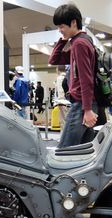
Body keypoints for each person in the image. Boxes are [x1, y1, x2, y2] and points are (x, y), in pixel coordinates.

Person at [48, 3, 98, 148]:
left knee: (64, 150)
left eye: (62, 26)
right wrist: (63, 39)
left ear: (74, 22)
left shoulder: (79, 44)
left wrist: (87, 110)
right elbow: (54, 60)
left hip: (82, 105)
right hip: (86, 104)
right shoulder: (82, 41)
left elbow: (85, 78)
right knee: (83, 151)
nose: (60, 30)